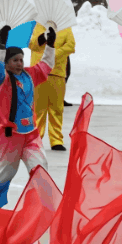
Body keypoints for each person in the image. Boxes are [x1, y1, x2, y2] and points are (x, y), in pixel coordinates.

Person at [0, 28, 56, 207]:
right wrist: (1, 46)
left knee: (40, 168)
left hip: (30, 134)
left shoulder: (29, 75)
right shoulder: (2, 80)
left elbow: (46, 65)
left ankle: (40, 208)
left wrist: (51, 45)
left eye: (21, 60)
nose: (19, 63)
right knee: (2, 176)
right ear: (6, 63)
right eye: (14, 60)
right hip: (8, 136)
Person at [32, 16, 75, 152]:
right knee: (38, 109)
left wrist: (53, 53)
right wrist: (42, 38)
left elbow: (71, 46)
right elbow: (31, 44)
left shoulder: (65, 27)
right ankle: (36, 139)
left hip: (58, 74)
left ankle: (56, 140)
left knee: (57, 109)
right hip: (39, 72)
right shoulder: (37, 26)